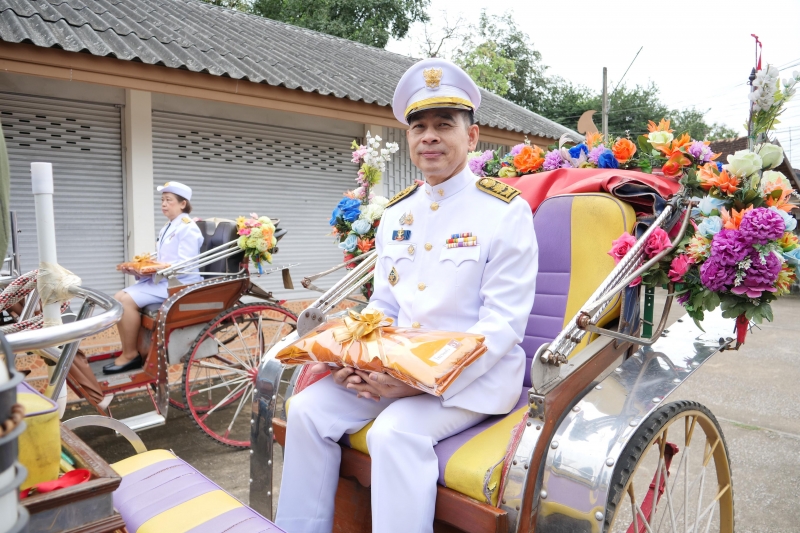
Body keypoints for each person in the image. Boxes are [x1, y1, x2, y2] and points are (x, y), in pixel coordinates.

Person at [275, 58, 539, 533]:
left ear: (472, 137)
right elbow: (384, 305)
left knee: (394, 432)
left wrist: (421, 381)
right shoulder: (398, 213)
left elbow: (502, 324)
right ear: (409, 139)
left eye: (444, 125)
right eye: (419, 127)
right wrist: (358, 359)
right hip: (393, 371)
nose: (429, 136)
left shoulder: (504, 211)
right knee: (306, 410)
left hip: (472, 380)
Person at [103, 182, 204, 374]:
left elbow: (186, 265)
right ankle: (129, 349)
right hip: (164, 280)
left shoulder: (188, 228)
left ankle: (130, 355)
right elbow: (163, 258)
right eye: (162, 200)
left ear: (183, 204)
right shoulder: (168, 226)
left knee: (126, 302)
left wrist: (155, 269)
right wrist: (143, 267)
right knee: (118, 298)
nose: (164, 204)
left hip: (180, 283)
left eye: (169, 200)